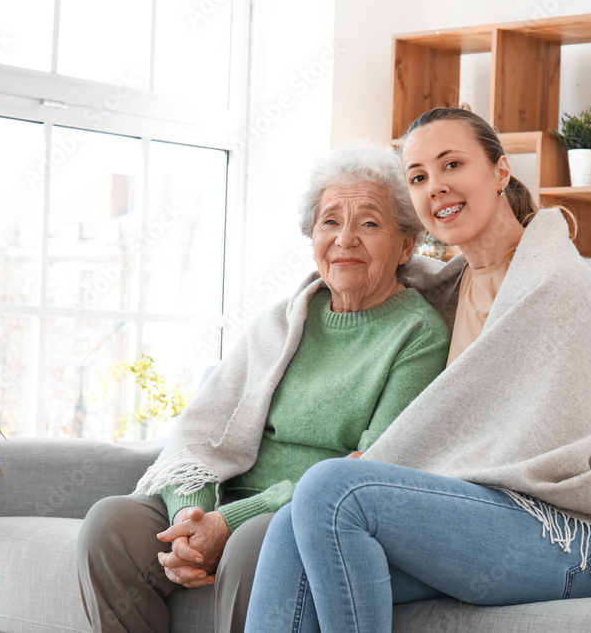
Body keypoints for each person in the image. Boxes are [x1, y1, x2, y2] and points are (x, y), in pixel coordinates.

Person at [244, 108, 591, 632]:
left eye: (452, 165)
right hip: (473, 520)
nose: (436, 187)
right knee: (291, 527)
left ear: (500, 172)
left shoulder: (551, 285)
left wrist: (385, 458)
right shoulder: (444, 290)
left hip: (560, 535)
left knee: (333, 489)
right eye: (418, 177)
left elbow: (547, 440)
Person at [76, 142, 450, 633]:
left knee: (258, 545)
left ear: (407, 245)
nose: (345, 239)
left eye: (370, 223)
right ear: (312, 235)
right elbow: (200, 433)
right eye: (330, 221)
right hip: (223, 501)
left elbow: (373, 469)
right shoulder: (283, 321)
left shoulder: (419, 336)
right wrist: (195, 517)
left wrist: (231, 524)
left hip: (301, 514)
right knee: (110, 527)